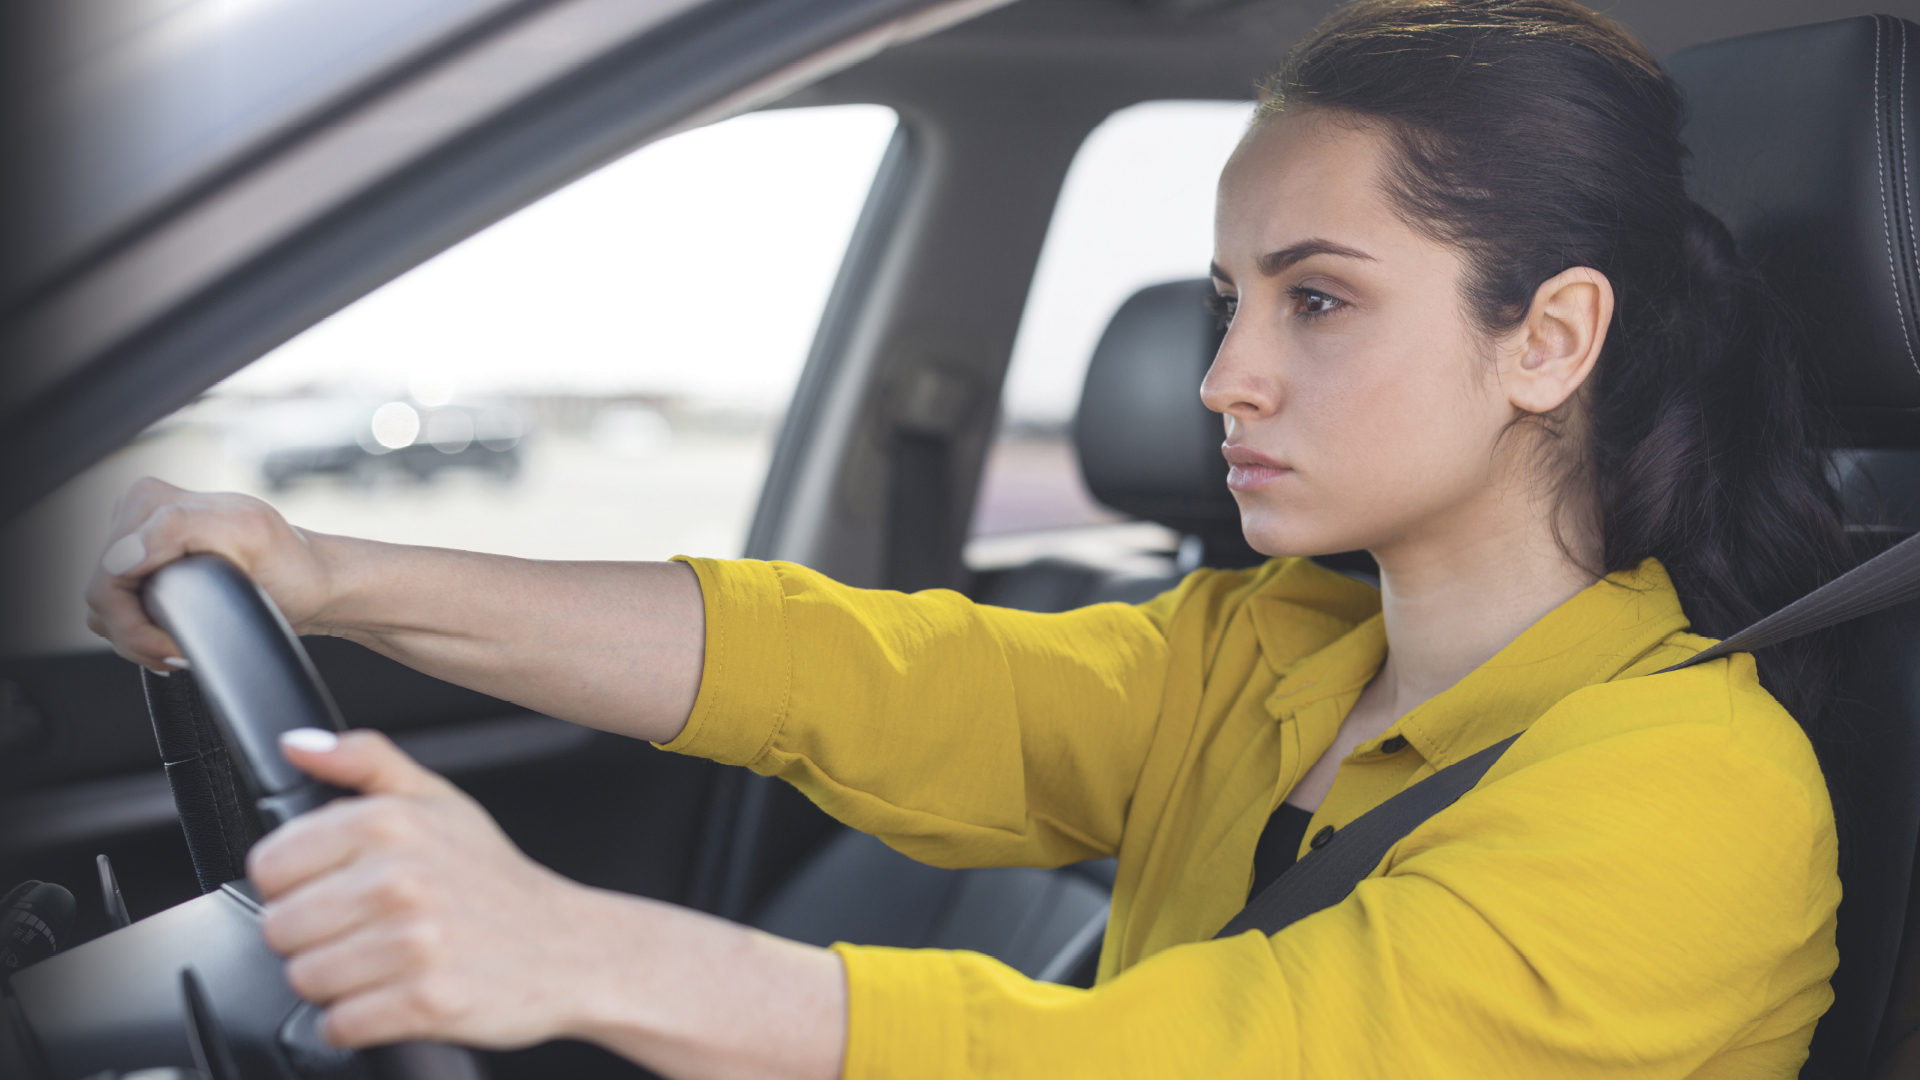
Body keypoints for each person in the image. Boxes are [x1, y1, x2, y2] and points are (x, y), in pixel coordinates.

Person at [86, 1, 1853, 1076]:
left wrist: (580, 949)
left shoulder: (1690, 790)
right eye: (1226, 297)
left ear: (1548, 340)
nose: (1225, 376)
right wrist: (328, 574)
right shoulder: (1268, 654)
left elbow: (1201, 1069)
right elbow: (840, 672)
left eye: (1319, 302)